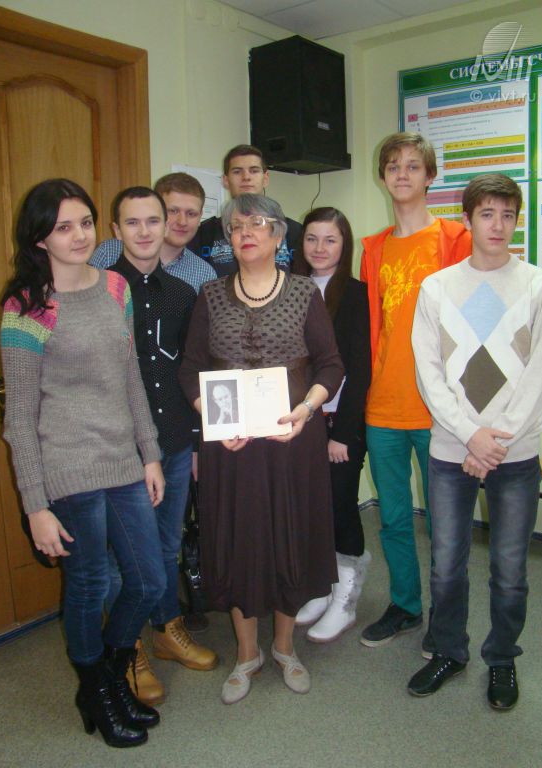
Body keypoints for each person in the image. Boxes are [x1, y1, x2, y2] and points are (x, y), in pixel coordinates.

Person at [0, 179, 167, 748]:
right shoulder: (27, 307)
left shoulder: (115, 287)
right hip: (67, 469)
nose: (79, 236)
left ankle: (107, 677)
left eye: (86, 223)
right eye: (63, 227)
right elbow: (19, 418)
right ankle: (98, 688)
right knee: (90, 583)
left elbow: (131, 378)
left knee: (148, 580)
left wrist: (150, 454)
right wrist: (36, 506)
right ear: (40, 238)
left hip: (122, 460)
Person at [179, 194, 344, 704]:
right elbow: (190, 369)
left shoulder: (303, 293)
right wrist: (212, 417)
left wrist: (308, 409)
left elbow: (330, 364)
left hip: (291, 440)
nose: (245, 233)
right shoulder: (209, 294)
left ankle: (285, 648)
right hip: (232, 447)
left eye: (256, 224)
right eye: (236, 226)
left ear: (277, 235)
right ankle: (246, 654)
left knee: (289, 537)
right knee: (238, 540)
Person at [408, 173, 542, 709]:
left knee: (510, 570)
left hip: (514, 455)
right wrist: (470, 435)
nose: (498, 225)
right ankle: (448, 651)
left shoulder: (541, 287)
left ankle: (501, 657)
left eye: (507, 215)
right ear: (468, 219)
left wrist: (493, 442)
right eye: (487, 214)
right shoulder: (437, 288)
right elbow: (429, 373)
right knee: (446, 565)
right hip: (452, 451)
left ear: (516, 221)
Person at [359, 132, 472, 653]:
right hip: (383, 408)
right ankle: (405, 606)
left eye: (412, 165)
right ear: (382, 177)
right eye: (392, 166)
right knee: (395, 520)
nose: (402, 174)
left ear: (429, 176)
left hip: (439, 412)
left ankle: (446, 624)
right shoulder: (374, 248)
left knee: (446, 527)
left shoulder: (455, 239)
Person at [106, 186, 218, 707]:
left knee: (167, 544)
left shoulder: (182, 293)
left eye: (153, 220)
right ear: (116, 231)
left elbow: (192, 370)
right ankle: (126, 647)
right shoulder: (102, 292)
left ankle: (166, 629)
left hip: (173, 440)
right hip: (118, 449)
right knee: (121, 557)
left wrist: (195, 443)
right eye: (133, 222)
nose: (146, 231)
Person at [293, 207, 371, 642]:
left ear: (345, 244)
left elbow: (359, 368)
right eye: (312, 238)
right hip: (300, 421)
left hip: (340, 421)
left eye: (330, 239)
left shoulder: (356, 294)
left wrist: (343, 434)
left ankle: (346, 597)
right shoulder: (289, 288)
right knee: (311, 506)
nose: (320, 248)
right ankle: (323, 587)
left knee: (341, 505)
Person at [90, 172, 217, 292]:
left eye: (191, 213)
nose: (182, 222)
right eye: (173, 211)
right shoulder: (108, 253)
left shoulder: (204, 274)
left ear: (200, 217)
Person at [188, 144, 302, 275]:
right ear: (225, 180)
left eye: (254, 171)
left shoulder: (294, 232)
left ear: (265, 178)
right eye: (237, 172)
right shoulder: (205, 233)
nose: (246, 177)